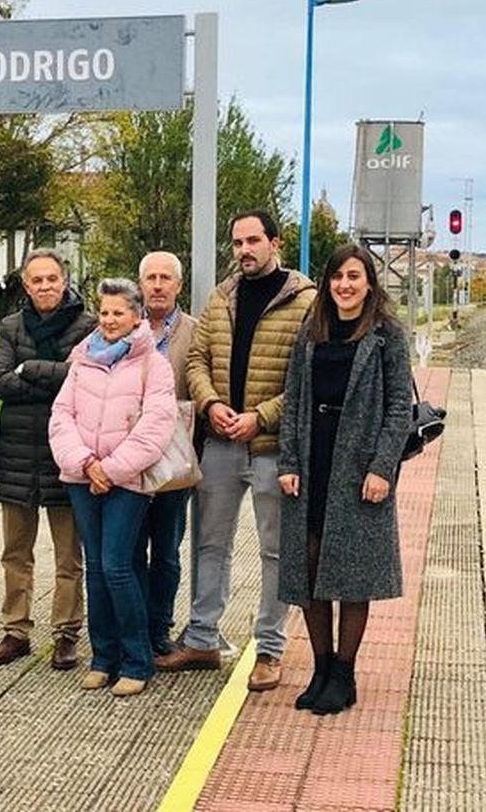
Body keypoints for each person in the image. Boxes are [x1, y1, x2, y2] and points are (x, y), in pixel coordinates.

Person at [157, 210, 315, 693]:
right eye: (237, 243)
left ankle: (269, 649)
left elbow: (307, 378)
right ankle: (202, 638)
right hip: (221, 443)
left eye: (253, 241)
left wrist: (260, 417)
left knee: (275, 550)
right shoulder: (221, 296)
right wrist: (211, 404)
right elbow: (198, 360)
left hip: (272, 447)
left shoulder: (305, 301)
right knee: (210, 543)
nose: (244, 250)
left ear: (275, 243)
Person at [277, 244, 414, 714]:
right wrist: (288, 461)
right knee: (309, 564)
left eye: (354, 276)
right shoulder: (311, 328)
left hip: (358, 465)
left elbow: (399, 407)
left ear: (369, 282)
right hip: (312, 456)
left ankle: (344, 673)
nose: (345, 285)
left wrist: (382, 467)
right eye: (337, 277)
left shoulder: (387, 335)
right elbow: (293, 398)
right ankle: (319, 668)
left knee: (353, 573)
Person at [49, 279, 176, 697]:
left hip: (128, 481)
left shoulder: (153, 364)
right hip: (82, 477)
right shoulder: (83, 358)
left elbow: (156, 426)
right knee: (97, 569)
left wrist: (112, 469)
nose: (109, 320)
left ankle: (137, 660)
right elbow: (61, 416)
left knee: (117, 565)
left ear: (137, 317)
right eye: (104, 312)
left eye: (118, 312)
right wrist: (86, 463)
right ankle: (103, 658)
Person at [0, 249, 96, 669]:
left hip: (66, 454)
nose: (45, 286)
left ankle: (66, 634)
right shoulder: (10, 326)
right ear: (26, 285)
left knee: (69, 556)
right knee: (16, 552)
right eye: (37, 280)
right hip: (16, 454)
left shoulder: (87, 326)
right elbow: (1, 382)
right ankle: (16, 630)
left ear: (64, 281)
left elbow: (83, 379)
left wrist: (29, 367)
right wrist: (51, 378)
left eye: (52, 278)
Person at [135, 251, 197, 657]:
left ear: (179, 285)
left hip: (175, 457)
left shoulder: (195, 332)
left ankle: (159, 627)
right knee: (130, 547)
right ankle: (133, 625)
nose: (157, 285)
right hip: (129, 455)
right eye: (150, 278)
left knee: (167, 549)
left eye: (165, 278)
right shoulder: (124, 326)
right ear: (140, 284)